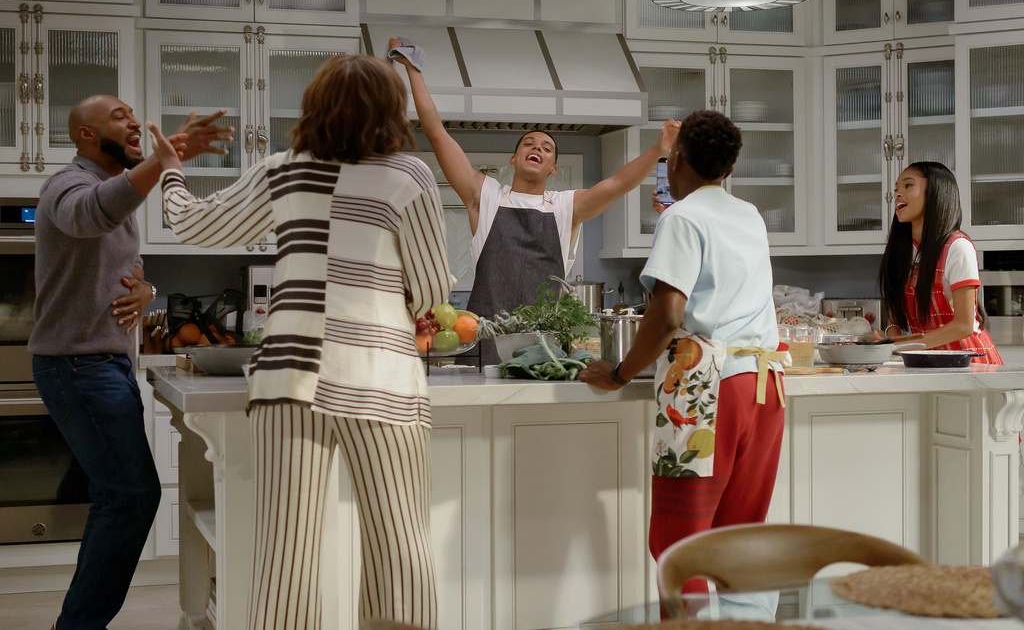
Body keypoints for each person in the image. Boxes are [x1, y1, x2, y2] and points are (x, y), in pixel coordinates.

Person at [147, 54, 454, 629]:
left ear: (313, 104)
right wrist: (414, 307)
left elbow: (190, 223)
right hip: (379, 376)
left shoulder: (280, 170)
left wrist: (170, 168)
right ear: (391, 108)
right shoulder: (408, 176)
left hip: (287, 376)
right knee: (399, 541)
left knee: (285, 555)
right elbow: (433, 286)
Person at [28, 94, 234, 630]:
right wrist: (164, 161)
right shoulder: (64, 187)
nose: (135, 122)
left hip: (100, 366)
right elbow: (92, 213)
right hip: (78, 367)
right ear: (86, 136)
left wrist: (148, 288)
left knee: (121, 497)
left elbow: (129, 262)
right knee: (130, 497)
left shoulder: (113, 196)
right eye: (119, 117)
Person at [580, 110, 786, 594]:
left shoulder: (681, 217)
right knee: (740, 542)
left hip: (707, 388)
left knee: (682, 548)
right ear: (728, 170)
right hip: (765, 386)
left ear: (675, 162)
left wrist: (621, 374)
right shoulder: (749, 214)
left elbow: (668, 316)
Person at [388, 37, 679, 363]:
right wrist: (413, 72)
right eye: (528, 143)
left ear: (553, 167)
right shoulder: (484, 196)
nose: (536, 148)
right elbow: (437, 132)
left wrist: (658, 151)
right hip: (481, 349)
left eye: (546, 147)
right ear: (513, 159)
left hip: (543, 355)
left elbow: (618, 183)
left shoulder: (567, 208)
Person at [876, 161, 1002, 364]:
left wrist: (898, 347)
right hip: (927, 362)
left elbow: (963, 326)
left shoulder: (958, 247)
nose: (897, 194)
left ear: (936, 192)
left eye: (908, 186)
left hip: (970, 364)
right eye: (896, 189)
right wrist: (890, 340)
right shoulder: (903, 252)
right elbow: (894, 320)